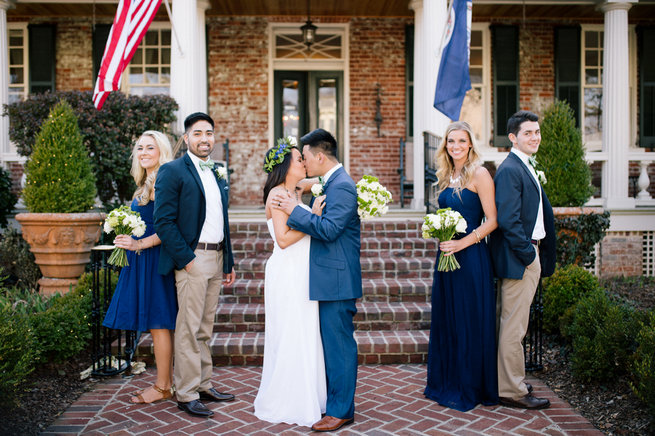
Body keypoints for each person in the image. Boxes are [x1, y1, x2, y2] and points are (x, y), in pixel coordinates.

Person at [272, 129, 361, 433]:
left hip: (337, 279)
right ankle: (335, 403)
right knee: (332, 346)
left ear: (320, 156)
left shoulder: (343, 187)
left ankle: (340, 411)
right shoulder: (333, 182)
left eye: (307, 157)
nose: (305, 164)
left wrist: (295, 210)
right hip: (328, 277)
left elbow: (330, 229)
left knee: (339, 347)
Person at [154, 112, 237, 418]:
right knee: (188, 329)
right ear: (186, 138)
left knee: (205, 327)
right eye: (198, 133)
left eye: (209, 133)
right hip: (193, 258)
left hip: (216, 258)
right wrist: (186, 260)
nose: (205, 139)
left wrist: (227, 260)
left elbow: (222, 221)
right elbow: (163, 222)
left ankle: (203, 384)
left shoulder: (216, 171)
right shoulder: (173, 171)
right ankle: (186, 392)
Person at [423, 121, 499, 412]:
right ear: (446, 146)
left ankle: (470, 385)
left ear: (470, 145)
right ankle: (447, 380)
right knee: (449, 318)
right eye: (451, 141)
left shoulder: (479, 174)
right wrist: (439, 233)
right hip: (446, 257)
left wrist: (461, 243)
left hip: (470, 258)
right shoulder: (446, 175)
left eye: (461, 141)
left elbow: (492, 221)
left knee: (468, 319)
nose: (456, 146)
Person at [253, 138, 327, 427]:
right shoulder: (277, 194)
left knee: (305, 333)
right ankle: (289, 401)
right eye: (299, 159)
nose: (304, 162)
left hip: (302, 270)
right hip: (287, 272)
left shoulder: (295, 189)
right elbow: (283, 240)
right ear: (286, 166)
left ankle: (309, 396)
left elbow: (322, 178)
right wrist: (315, 219)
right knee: (290, 334)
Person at [103, 130, 177, 404]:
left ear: (162, 152)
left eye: (150, 148)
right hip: (141, 259)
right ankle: (165, 383)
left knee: (159, 324)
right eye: (140, 148)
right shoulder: (146, 182)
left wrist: (139, 244)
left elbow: (170, 227)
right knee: (157, 324)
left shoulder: (162, 182)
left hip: (153, 259)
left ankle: (163, 386)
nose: (144, 152)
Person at [489, 110, 556, 410]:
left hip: (527, 254)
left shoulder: (524, 166)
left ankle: (508, 382)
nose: (535, 137)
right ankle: (513, 391)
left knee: (512, 325)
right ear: (513, 137)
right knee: (514, 328)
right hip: (520, 258)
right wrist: (530, 255)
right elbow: (509, 220)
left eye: (537, 132)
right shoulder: (510, 169)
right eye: (528, 133)